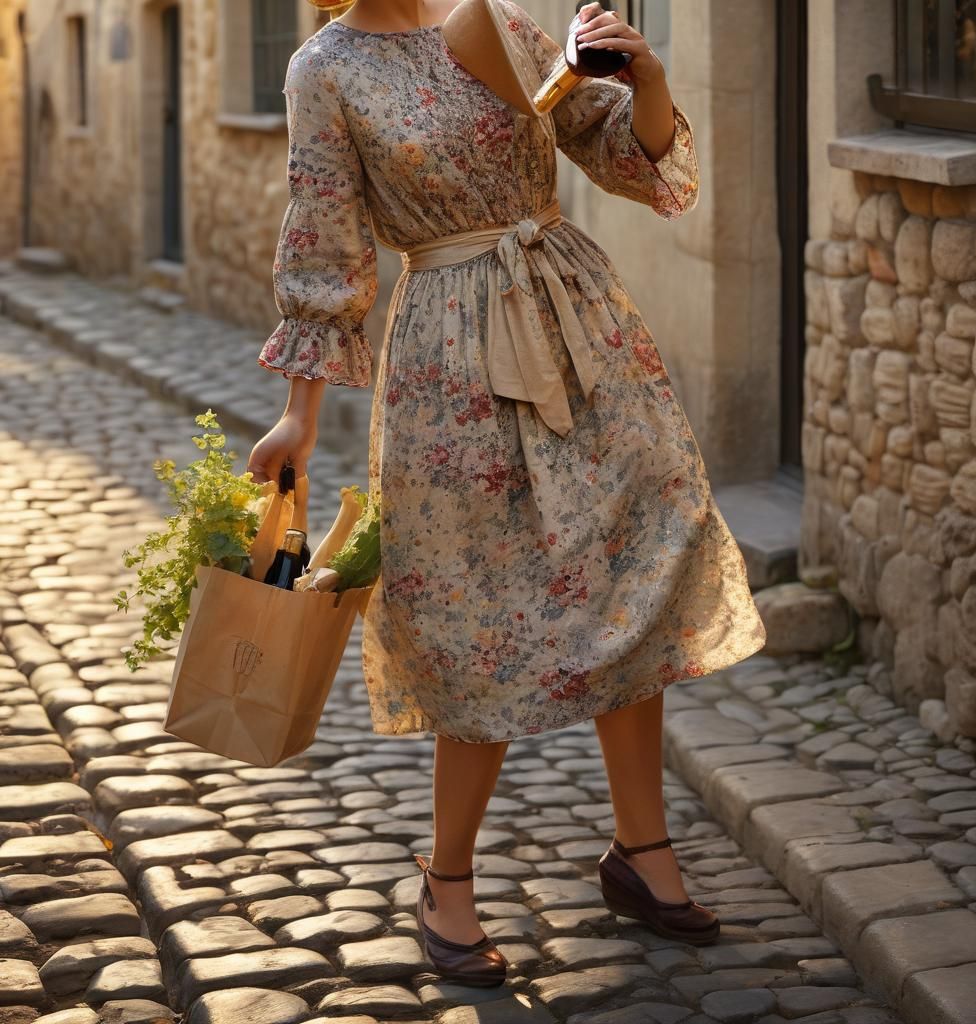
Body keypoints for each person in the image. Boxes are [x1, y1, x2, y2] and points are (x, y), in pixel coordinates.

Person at [247, 0, 766, 988]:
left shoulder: (502, 22)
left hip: (580, 321)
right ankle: (445, 879)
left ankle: (640, 849)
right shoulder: (325, 68)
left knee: (633, 563)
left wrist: (645, 79)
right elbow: (322, 243)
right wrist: (299, 417)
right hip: (447, 352)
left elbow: (619, 152)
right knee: (463, 606)